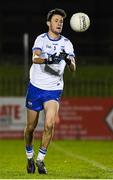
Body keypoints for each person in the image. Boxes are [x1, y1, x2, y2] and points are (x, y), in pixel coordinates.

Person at [24, 8, 76, 174]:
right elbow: (35, 58)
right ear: (49, 23)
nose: (59, 23)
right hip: (36, 86)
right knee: (31, 127)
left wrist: (69, 61)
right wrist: (50, 58)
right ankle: (29, 156)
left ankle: (40, 160)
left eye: (61, 21)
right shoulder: (41, 39)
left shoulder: (67, 43)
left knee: (49, 124)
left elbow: (73, 68)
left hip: (54, 89)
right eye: (56, 20)